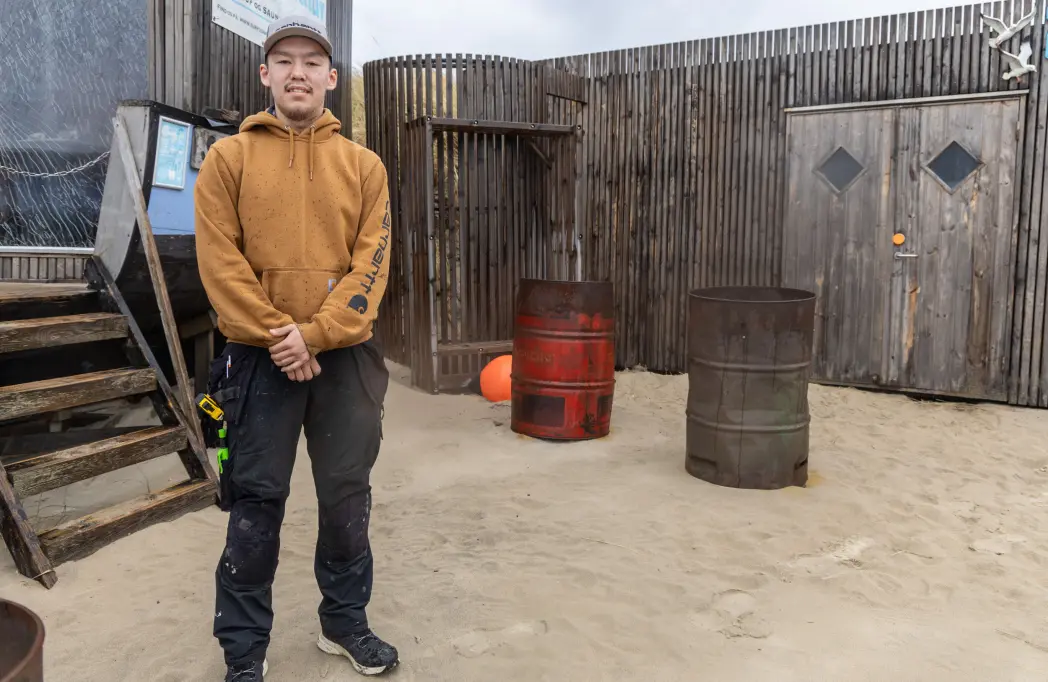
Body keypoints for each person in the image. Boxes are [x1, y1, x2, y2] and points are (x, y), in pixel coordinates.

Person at [193, 14, 398, 681]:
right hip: (257, 359)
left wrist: (313, 335)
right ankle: (244, 654)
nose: (299, 73)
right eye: (285, 61)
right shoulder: (228, 160)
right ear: (266, 75)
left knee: (347, 497)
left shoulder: (364, 168)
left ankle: (345, 624)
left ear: (332, 79)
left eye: (312, 62)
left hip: (344, 358)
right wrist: (280, 334)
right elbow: (220, 265)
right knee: (255, 503)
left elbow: (372, 265)